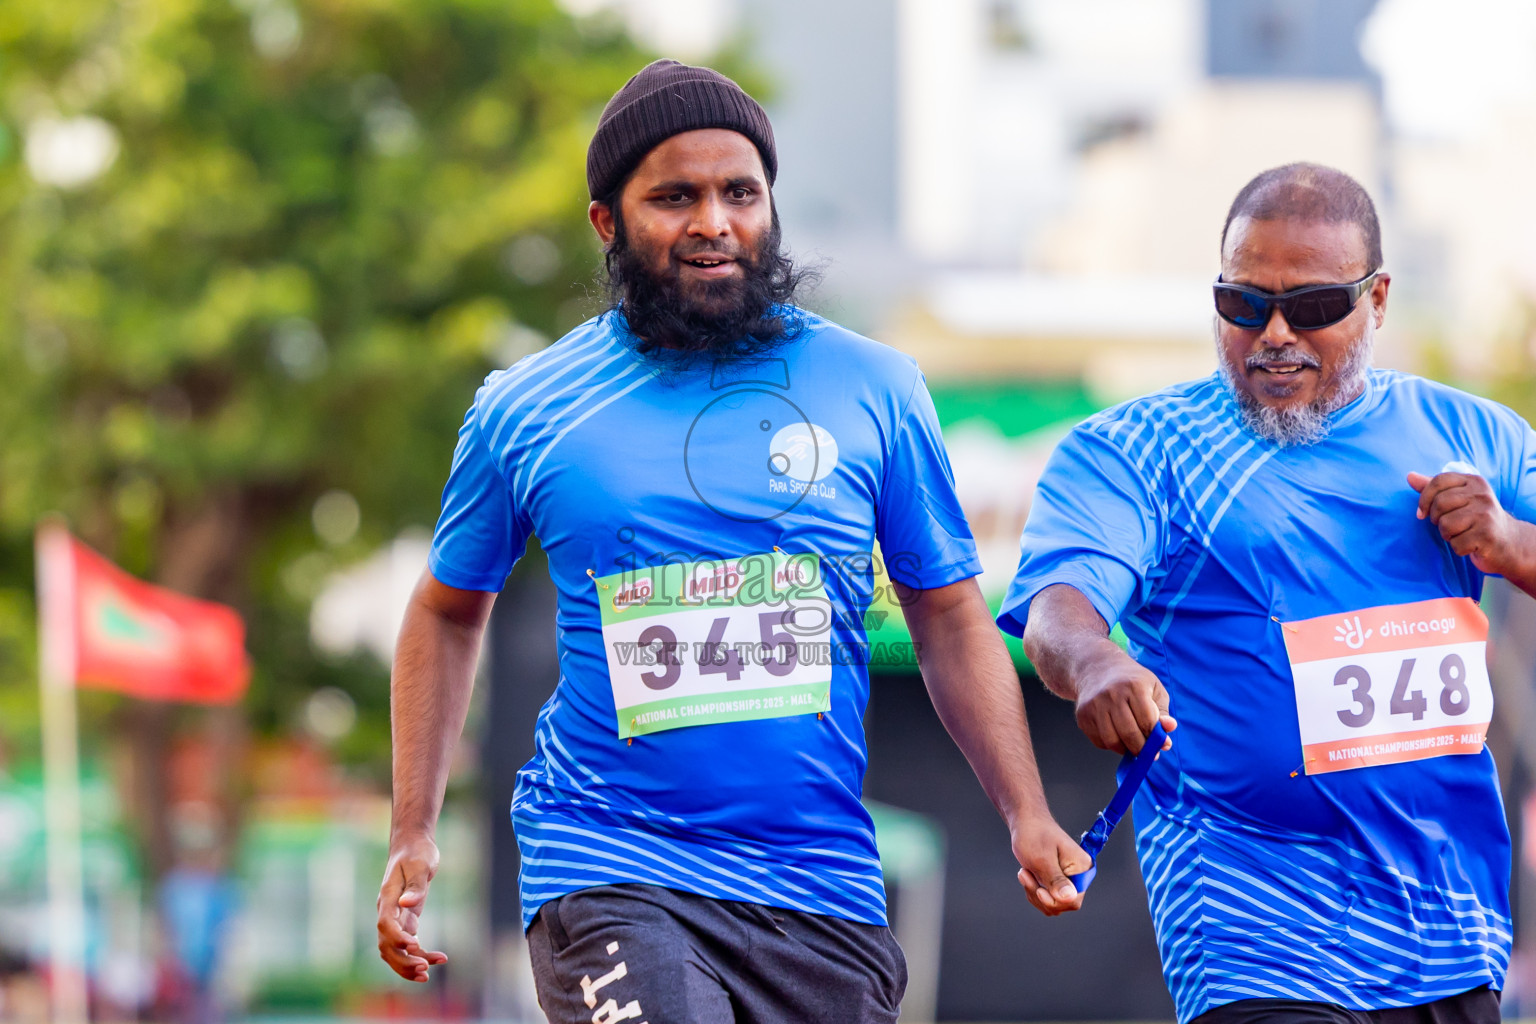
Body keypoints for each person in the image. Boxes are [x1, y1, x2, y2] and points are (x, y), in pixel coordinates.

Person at [376, 58, 1086, 1023]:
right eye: (675, 196)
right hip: (611, 864)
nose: (714, 220)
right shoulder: (528, 408)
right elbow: (447, 611)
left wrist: (1026, 811)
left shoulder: (874, 386)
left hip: (820, 893)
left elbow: (950, 614)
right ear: (607, 223)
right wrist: (413, 828)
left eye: (739, 192)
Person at [1001, 162, 1533, 1024]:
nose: (1274, 333)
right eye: (1244, 304)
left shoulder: (1476, 433)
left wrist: (1509, 544)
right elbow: (1061, 599)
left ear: (1380, 299)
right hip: (1252, 918)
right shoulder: (1139, 449)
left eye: (1315, 306)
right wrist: (1095, 662)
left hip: (1445, 918)